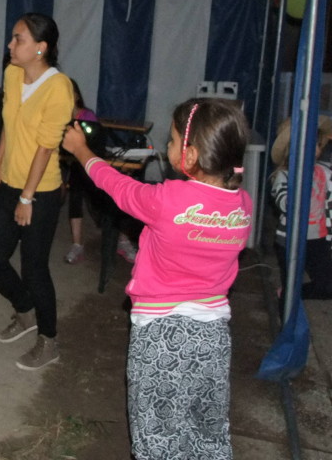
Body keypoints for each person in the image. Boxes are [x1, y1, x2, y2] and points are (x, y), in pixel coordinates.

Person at [63, 97, 252, 459]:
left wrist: (82, 150)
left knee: (157, 439)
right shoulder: (242, 206)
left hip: (161, 338)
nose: (166, 147)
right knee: (208, 435)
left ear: (191, 155)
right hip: (214, 338)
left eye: (172, 140)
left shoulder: (168, 199)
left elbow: (115, 185)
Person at [0, 13, 73, 371]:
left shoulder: (59, 87)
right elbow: (9, 123)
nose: (10, 45)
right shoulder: (12, 73)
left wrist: (27, 197)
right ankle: (25, 310)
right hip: (9, 182)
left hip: (41, 191)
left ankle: (49, 341)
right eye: (12, 37)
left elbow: (46, 147)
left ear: (40, 47)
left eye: (18, 39)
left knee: (34, 269)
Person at [270, 116, 332, 310]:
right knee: (291, 282)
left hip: (318, 238)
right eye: (309, 145)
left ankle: (291, 293)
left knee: (327, 286)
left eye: (318, 145)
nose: (315, 150)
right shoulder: (284, 176)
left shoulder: (323, 171)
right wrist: (301, 179)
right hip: (290, 240)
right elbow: (285, 203)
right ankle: (286, 311)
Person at [61, 79, 98, 264]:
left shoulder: (87, 116)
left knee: (95, 197)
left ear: (76, 96)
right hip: (65, 161)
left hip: (84, 163)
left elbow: (94, 145)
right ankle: (77, 244)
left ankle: (122, 239)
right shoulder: (58, 115)